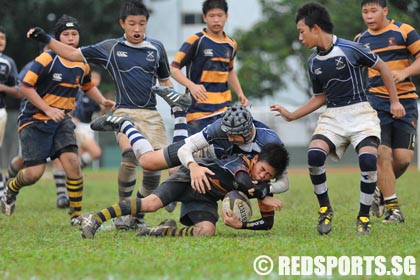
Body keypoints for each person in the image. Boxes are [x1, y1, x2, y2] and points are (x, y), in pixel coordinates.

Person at [27, 0, 192, 230]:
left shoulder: (156, 48)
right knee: (129, 155)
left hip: (151, 115)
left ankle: (136, 214)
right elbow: (73, 53)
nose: (137, 28)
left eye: (142, 24)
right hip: (123, 113)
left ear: (146, 24)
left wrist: (175, 100)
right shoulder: (111, 47)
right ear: (122, 24)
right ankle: (123, 208)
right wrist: (46, 39)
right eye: (132, 23)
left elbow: (165, 80)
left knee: (154, 168)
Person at [269, 2, 405, 235]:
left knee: (368, 159)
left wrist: (395, 101)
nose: (300, 38)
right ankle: (325, 209)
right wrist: (291, 115)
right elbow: (320, 97)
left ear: (315, 28)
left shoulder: (352, 48)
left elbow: (382, 68)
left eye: (301, 31)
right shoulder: (312, 62)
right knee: (314, 155)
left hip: (361, 113)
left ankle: (363, 217)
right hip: (333, 115)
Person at [91, 103, 290, 231]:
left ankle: (179, 110)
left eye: (233, 136)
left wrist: (267, 190)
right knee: (148, 162)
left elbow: (284, 181)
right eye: (226, 133)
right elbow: (188, 148)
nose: (228, 138)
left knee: (176, 181)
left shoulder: (269, 146)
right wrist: (193, 166)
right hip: (205, 153)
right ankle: (126, 125)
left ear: (247, 133)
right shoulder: (220, 128)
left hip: (221, 168)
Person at [0, 15, 114, 225]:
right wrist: (48, 109)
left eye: (74, 34)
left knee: (73, 164)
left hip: (62, 121)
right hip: (34, 120)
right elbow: (25, 87)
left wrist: (103, 100)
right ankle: (10, 188)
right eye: (66, 34)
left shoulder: (82, 63)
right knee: (34, 174)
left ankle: (76, 216)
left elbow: (87, 86)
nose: (71, 38)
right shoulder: (47, 59)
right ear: (57, 37)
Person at [78, 142, 289, 239]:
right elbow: (242, 180)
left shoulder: (260, 187)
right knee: (151, 204)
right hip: (188, 179)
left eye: (268, 176)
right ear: (255, 159)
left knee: (207, 231)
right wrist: (263, 193)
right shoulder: (240, 163)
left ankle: (161, 230)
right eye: (262, 170)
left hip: (205, 197)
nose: (262, 176)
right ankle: (94, 218)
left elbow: (267, 224)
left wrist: (241, 225)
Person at [355, 0, 420, 224]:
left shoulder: (404, 31)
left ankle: (378, 191)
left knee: (402, 159)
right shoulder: (360, 40)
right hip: (375, 102)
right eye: (365, 12)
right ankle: (394, 210)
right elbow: (355, 72)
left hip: (407, 101)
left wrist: (404, 73)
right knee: (382, 153)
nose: (369, 16)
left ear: (385, 11)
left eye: (373, 11)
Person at [171, 0, 248, 135]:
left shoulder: (231, 44)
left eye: (220, 15)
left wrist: (240, 93)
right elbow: (173, 68)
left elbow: (229, 70)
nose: (216, 20)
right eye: (212, 16)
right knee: (198, 155)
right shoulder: (196, 40)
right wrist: (192, 86)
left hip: (223, 110)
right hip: (198, 112)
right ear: (204, 17)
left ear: (226, 16)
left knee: (222, 153)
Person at [0, 25, 23, 196]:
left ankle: (2, 186)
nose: (0, 41)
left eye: (3, 38)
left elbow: (19, 91)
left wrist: (2, 87)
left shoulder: (8, 63)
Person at [72, 67, 106, 169]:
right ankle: (72, 170)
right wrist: (71, 118)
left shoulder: (97, 97)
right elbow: (71, 106)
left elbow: (100, 114)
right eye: (93, 77)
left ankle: (71, 173)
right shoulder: (80, 92)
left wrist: (103, 107)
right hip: (79, 127)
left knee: (80, 156)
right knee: (96, 153)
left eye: (97, 78)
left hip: (88, 127)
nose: (95, 80)